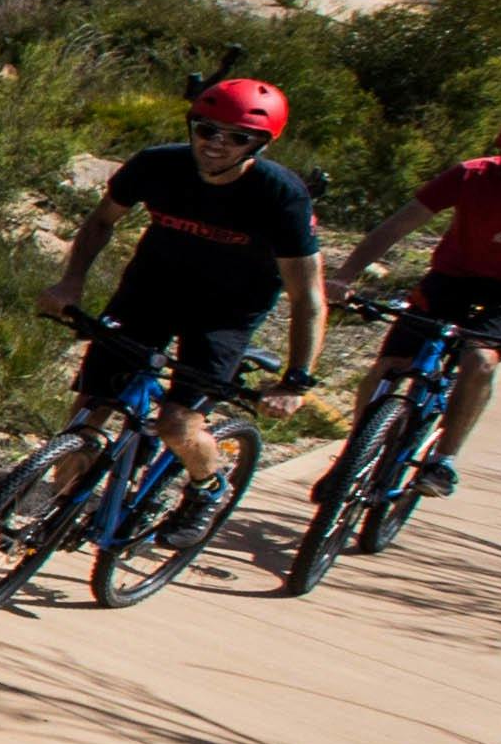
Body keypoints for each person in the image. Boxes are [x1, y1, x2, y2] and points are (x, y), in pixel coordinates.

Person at [34, 78, 323, 527]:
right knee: (91, 409)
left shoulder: (280, 196)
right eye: (207, 130)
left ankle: (208, 486)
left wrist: (295, 382)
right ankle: (54, 514)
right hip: (150, 291)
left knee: (176, 424)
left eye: (237, 138)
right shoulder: (156, 165)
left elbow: (308, 296)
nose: (216, 144)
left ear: (260, 145)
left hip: (225, 313)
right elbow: (100, 222)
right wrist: (71, 282)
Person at [315, 104, 501, 498]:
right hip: (455, 277)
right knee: (391, 363)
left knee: (480, 358)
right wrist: (344, 277)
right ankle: (358, 451)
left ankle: (443, 460)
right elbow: (395, 227)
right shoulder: (471, 176)